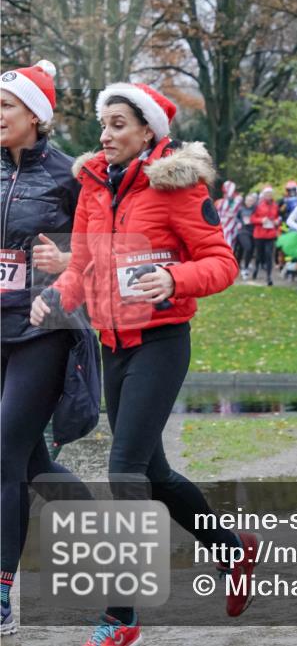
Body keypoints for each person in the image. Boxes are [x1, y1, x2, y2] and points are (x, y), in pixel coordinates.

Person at [30, 81, 258, 645]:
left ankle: (121, 616)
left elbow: (222, 263)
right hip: (113, 348)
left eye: (118, 125)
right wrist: (57, 297)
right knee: (153, 474)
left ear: (148, 131)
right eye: (103, 124)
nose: (104, 135)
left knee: (124, 469)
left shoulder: (177, 188)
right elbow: (81, 264)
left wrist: (175, 277)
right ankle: (234, 550)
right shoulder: (92, 185)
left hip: (161, 341)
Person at [1, 59, 93, 638]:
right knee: (31, 464)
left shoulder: (69, 175)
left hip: (43, 329)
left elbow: (97, 249)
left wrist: (65, 264)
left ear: (35, 115)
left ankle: (2, 598)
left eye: (5, 106)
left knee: (5, 456)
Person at [251, 184, 280, 285]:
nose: (269, 196)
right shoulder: (258, 205)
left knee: (269, 255)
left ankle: (269, 277)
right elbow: (252, 219)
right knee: (259, 255)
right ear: (264, 195)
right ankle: (255, 270)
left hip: (270, 234)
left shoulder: (275, 206)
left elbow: (277, 218)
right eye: (267, 194)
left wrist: (276, 221)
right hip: (259, 234)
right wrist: (261, 220)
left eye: (270, 194)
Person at [233, 191, 257, 278]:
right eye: (248, 200)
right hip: (243, 231)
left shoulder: (256, 209)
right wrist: (240, 222)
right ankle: (241, 268)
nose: (249, 202)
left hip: (253, 232)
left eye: (251, 200)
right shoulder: (241, 209)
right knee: (247, 247)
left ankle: (244, 267)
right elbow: (236, 218)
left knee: (249, 250)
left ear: (254, 201)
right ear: (245, 201)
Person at [215, 180, 241, 249]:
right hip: (221, 225)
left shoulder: (237, 200)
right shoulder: (221, 201)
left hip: (232, 225)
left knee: (230, 243)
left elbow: (234, 211)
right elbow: (218, 212)